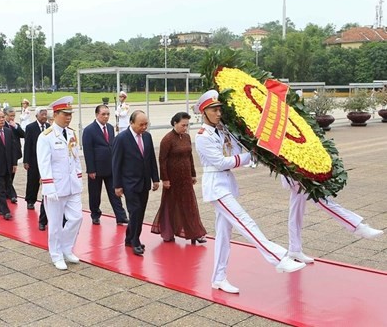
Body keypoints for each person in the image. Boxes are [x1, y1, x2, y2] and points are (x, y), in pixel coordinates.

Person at [194, 90, 305, 295]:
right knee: (246, 222)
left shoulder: (223, 131)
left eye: (219, 109)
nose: (219, 113)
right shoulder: (202, 136)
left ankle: (218, 278)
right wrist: (247, 157)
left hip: (226, 184)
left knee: (224, 235)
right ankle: (279, 258)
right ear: (204, 112)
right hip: (216, 187)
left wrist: (252, 149)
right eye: (214, 110)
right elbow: (220, 162)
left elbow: (236, 152)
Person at [280, 175, 383, 263]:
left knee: (295, 212)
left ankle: (294, 249)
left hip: (297, 172)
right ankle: (357, 227)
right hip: (295, 174)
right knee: (322, 200)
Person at [37, 96, 83, 270]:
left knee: (77, 218)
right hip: (55, 187)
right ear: (55, 114)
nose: (69, 117)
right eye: (65, 114)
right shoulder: (46, 136)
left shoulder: (71, 133)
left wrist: (79, 179)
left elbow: (76, 158)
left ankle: (66, 248)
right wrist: (48, 187)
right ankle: (56, 255)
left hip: (72, 185)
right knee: (55, 224)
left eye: (70, 114)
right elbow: (44, 163)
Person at [151, 112, 207, 244]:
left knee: (189, 205)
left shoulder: (187, 137)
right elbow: (162, 160)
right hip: (172, 179)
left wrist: (193, 174)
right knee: (170, 205)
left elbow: (190, 156)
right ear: (175, 123)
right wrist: (164, 179)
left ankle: (195, 233)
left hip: (186, 177)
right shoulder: (167, 139)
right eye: (183, 125)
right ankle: (168, 232)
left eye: (187, 125)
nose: (185, 128)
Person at [112, 110, 160, 256]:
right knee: (135, 212)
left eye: (146, 124)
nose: (144, 127)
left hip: (144, 182)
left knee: (140, 212)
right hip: (129, 183)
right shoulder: (121, 138)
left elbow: (151, 158)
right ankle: (135, 241)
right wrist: (117, 185)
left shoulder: (147, 136)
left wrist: (155, 178)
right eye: (141, 124)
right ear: (131, 123)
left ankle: (128, 238)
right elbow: (116, 163)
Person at [82, 104, 128, 225]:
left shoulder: (110, 128)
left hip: (110, 167)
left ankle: (121, 216)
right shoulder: (89, 130)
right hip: (96, 169)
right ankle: (95, 214)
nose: (106, 117)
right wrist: (91, 169)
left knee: (115, 193)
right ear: (97, 115)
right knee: (95, 194)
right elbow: (88, 151)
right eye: (103, 114)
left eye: (108, 114)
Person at [23, 107, 50, 229]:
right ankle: (30, 200)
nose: (44, 116)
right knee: (33, 181)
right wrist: (26, 160)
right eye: (42, 114)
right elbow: (27, 144)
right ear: (37, 116)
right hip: (33, 159)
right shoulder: (30, 127)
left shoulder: (49, 126)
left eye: (46, 114)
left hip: (45, 159)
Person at [3, 106, 24, 204]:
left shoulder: (15, 125)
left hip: (15, 154)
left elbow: (23, 135)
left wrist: (15, 126)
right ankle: (12, 195)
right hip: (6, 154)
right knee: (7, 175)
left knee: (12, 174)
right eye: (10, 116)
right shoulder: (2, 125)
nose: (12, 118)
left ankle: (8, 192)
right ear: (5, 115)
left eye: (13, 116)